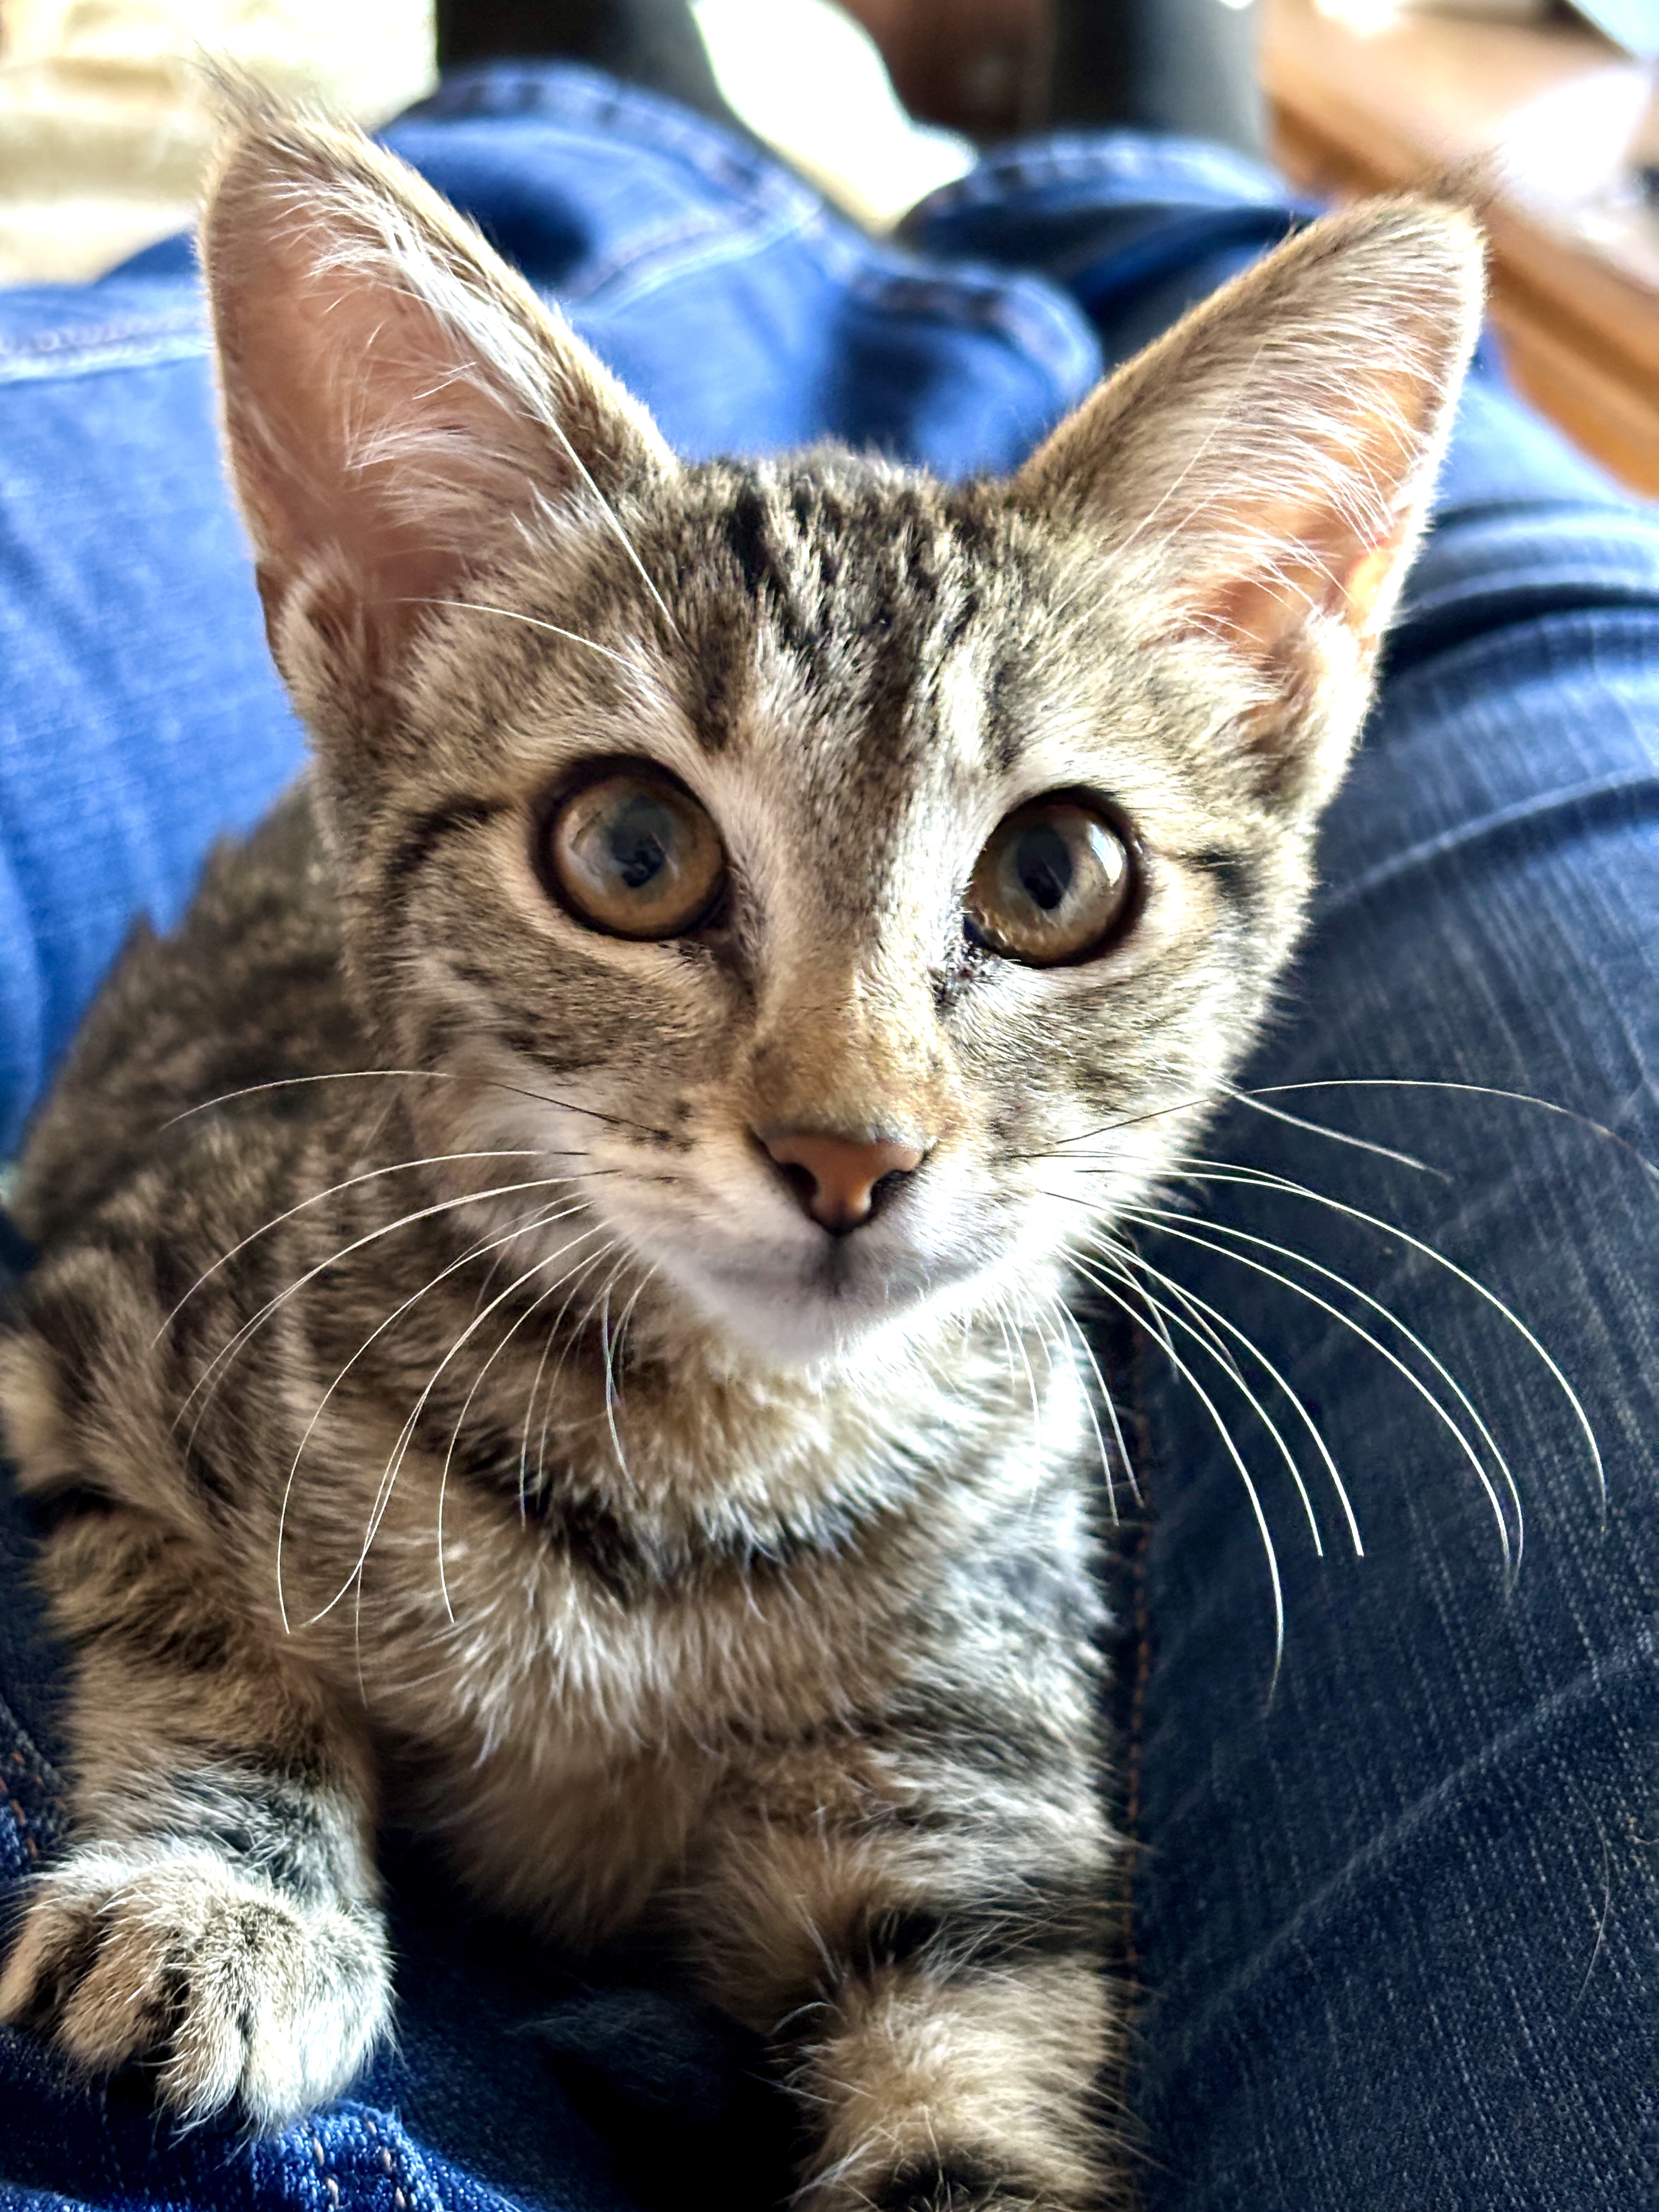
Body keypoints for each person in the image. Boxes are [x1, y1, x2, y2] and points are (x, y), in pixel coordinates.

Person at [1, 4, 1655, 2206]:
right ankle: (1067, 171)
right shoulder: (340, 1325)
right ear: (373, 648)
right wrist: (242, 1795)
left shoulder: (985, 1481)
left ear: (1271, 675)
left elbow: (962, 2006)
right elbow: (87, 1357)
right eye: (637, 852)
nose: (851, 1113)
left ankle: (651, 125)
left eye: (1049, 880)